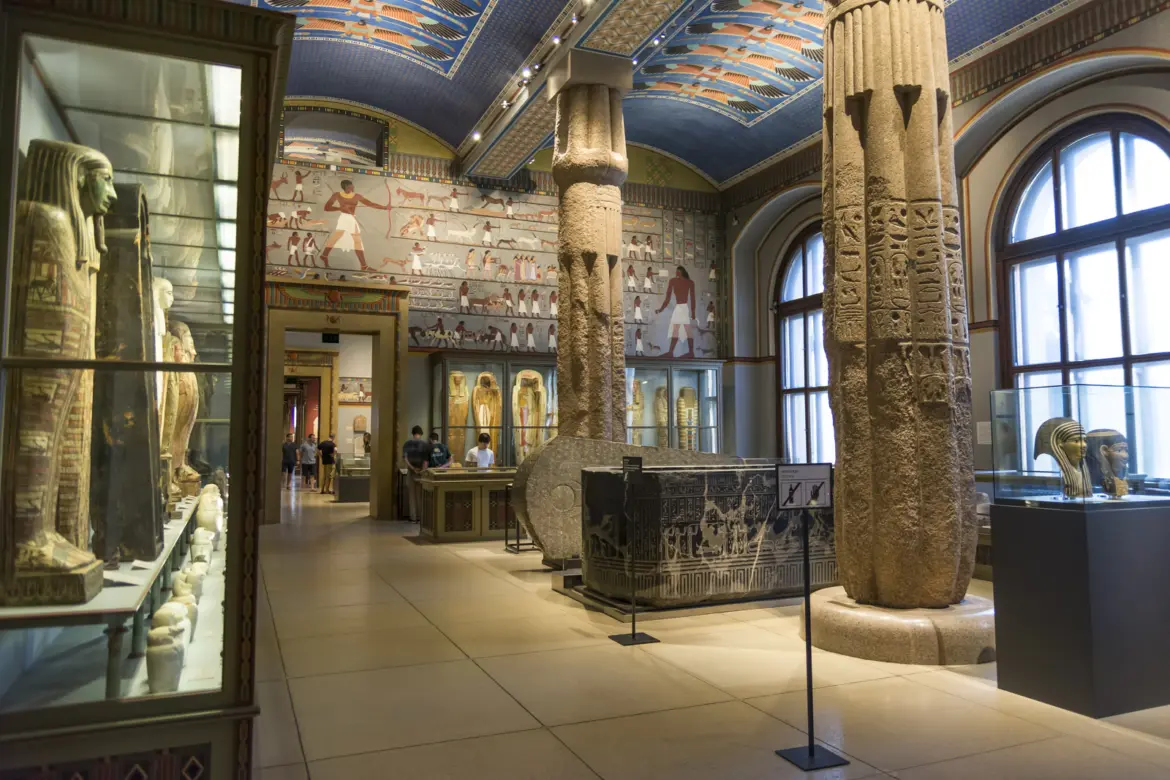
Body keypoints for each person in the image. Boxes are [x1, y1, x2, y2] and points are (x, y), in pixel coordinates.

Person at [319, 179, 387, 271]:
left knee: (345, 239)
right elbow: (327, 208)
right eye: (351, 186)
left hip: (351, 218)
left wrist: (385, 208)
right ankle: (364, 266)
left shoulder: (357, 196)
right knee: (350, 240)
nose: (353, 187)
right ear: (347, 187)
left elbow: (370, 204)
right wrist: (340, 208)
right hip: (344, 218)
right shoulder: (337, 195)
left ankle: (324, 255)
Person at [657, 266, 697, 358]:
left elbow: (693, 298)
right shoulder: (673, 281)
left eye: (678, 272)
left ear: (681, 272)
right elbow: (668, 298)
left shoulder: (690, 282)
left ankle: (689, 352)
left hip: (683, 308)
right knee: (677, 329)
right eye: (676, 272)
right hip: (678, 308)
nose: (676, 273)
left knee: (685, 329)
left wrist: (693, 313)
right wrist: (661, 309)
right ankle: (672, 352)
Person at [402, 425, 430, 520]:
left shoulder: (407, 444)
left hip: (411, 472)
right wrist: (422, 469)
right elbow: (426, 460)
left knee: (411, 496)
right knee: (420, 495)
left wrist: (412, 468)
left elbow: (405, 459)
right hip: (422, 472)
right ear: (421, 434)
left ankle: (413, 516)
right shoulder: (425, 444)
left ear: (412, 433)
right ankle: (421, 516)